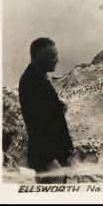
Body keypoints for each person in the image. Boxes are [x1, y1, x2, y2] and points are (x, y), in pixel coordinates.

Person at [18, 38, 73, 183]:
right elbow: (37, 125)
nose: (57, 60)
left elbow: (43, 113)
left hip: (51, 155)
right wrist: (51, 161)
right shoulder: (33, 82)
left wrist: (57, 107)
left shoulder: (36, 79)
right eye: (53, 56)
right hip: (47, 159)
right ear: (40, 58)